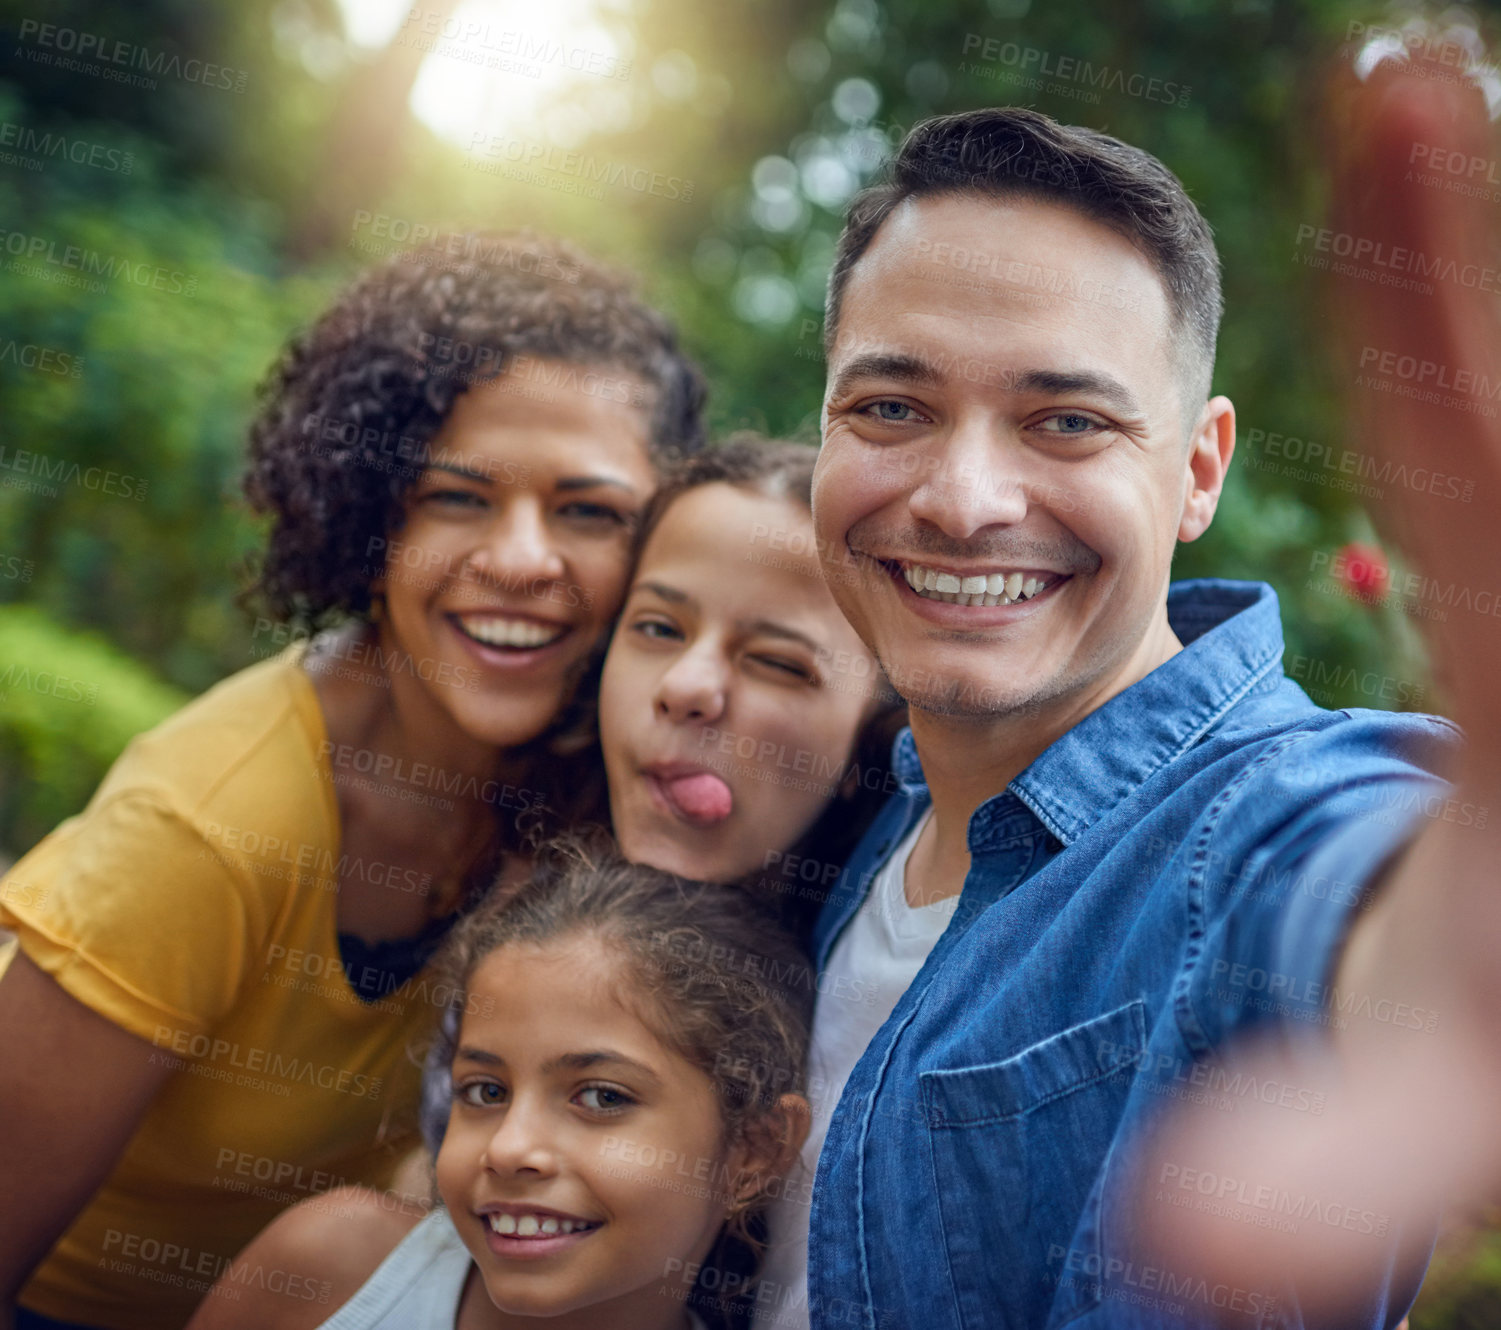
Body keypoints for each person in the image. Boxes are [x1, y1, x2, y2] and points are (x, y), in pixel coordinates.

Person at [746, 103, 1470, 1330]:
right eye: (891, 408)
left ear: (1197, 468)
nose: (964, 500)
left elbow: (1353, 885)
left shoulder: (1258, 825)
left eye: (1067, 421)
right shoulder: (871, 811)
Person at [0, 230, 706, 1330]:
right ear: (369, 516)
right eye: (458, 498)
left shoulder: (591, 789)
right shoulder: (206, 825)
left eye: (588, 511)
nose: (523, 559)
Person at [185, 839, 814, 1330]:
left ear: (755, 1149)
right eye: (486, 1092)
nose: (509, 1150)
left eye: (601, 1097)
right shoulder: (334, 1270)